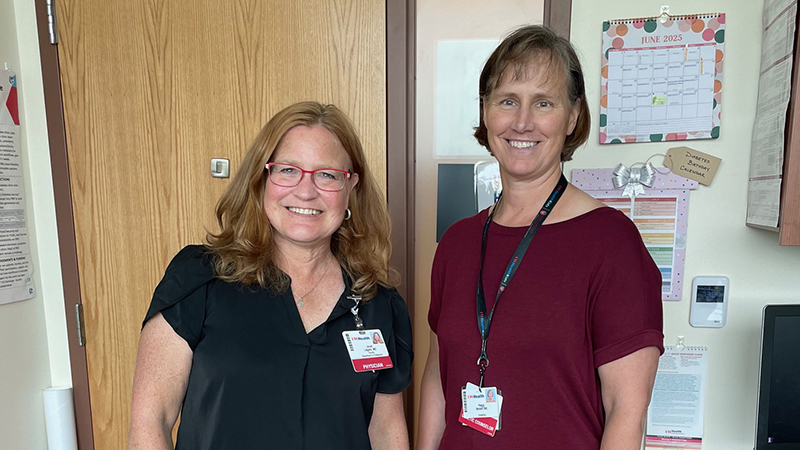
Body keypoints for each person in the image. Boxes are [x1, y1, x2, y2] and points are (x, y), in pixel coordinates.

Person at [417, 25, 663, 450]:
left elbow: (627, 408)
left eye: (543, 103)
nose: (522, 122)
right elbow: (439, 379)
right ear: (486, 112)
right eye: (507, 100)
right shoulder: (457, 243)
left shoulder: (611, 243)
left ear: (572, 116)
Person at [128, 101, 413, 450]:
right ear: (262, 179)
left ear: (351, 186)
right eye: (288, 170)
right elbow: (150, 422)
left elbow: (386, 433)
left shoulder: (376, 302)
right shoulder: (200, 280)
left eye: (327, 175)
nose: (306, 191)